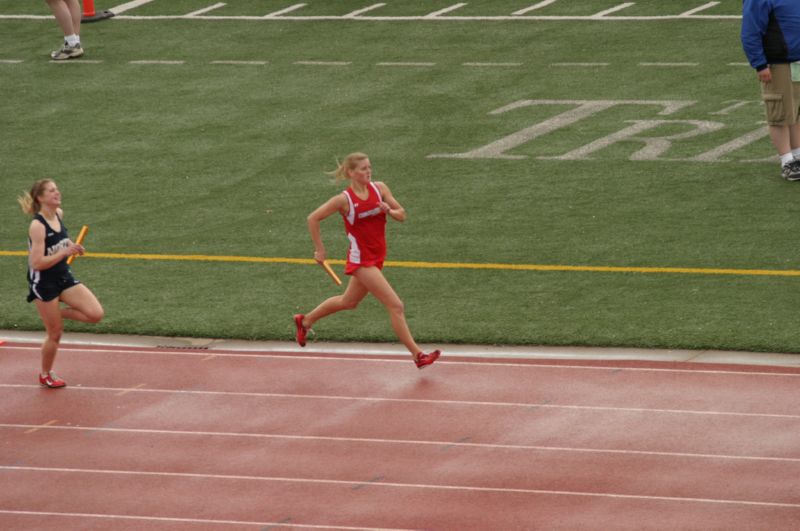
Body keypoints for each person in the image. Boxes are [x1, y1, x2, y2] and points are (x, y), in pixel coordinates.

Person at [293, 153, 441, 369]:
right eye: (362, 169)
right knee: (396, 305)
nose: (368, 171)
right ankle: (418, 355)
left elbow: (402, 215)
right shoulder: (344, 200)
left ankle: (304, 321)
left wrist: (388, 210)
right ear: (351, 173)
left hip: (377, 256)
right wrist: (320, 249)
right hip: (361, 260)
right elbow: (313, 218)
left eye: (369, 167)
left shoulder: (379, 188)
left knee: (348, 302)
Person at [18, 179, 104, 388]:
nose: (57, 193)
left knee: (95, 314)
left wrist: (72, 247)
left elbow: (59, 243)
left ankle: (54, 313)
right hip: (44, 283)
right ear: (40, 198)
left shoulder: (59, 214)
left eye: (56, 189)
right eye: (51, 190)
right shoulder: (37, 226)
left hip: (63, 276)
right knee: (55, 333)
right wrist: (64, 252)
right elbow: (37, 263)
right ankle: (46, 373)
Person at [741, 0, 800, 180]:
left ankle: (797, 154)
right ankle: (787, 160)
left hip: (796, 61)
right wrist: (759, 64)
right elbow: (750, 31)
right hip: (778, 62)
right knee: (779, 113)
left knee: (796, 111)